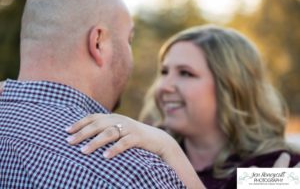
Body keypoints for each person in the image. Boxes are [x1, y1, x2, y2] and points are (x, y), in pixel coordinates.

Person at [0, 0, 199, 188]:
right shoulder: (135, 173)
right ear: (97, 42)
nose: (166, 86)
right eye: (129, 40)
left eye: (186, 73)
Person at [64, 25, 300, 189]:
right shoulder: (142, 156)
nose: (164, 86)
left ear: (231, 86)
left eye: (186, 73)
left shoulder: (278, 167)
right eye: (164, 72)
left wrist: (170, 150)